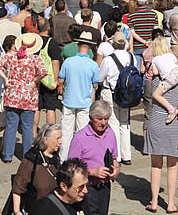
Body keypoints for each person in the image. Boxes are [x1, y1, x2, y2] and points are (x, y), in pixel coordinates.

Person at [144, 38, 178, 214]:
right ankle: (171, 203)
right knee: (173, 165)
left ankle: (153, 202)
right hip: (173, 121)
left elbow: (147, 94)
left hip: (155, 120)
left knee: (155, 165)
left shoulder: (153, 79)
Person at [0, 32, 47, 164]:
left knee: (11, 125)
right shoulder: (35, 59)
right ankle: (27, 156)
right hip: (29, 95)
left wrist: (6, 78)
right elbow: (43, 72)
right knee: (28, 127)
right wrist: (35, 81)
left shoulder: (11, 56)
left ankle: (7, 155)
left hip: (12, 94)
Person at [67, 101, 120, 215]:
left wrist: (116, 171)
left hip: (105, 187)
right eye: (99, 119)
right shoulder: (80, 138)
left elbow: (115, 159)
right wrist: (92, 172)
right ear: (91, 118)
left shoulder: (110, 134)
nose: (103, 123)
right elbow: (71, 168)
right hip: (87, 188)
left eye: (106, 119)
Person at [58, 30, 102, 159]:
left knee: (66, 132)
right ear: (89, 47)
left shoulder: (68, 62)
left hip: (69, 100)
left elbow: (61, 80)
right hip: (85, 101)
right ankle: (79, 158)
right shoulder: (93, 65)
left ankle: (63, 158)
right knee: (82, 132)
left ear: (78, 45)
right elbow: (95, 85)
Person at [96, 31, 134, 166]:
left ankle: (115, 156)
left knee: (113, 123)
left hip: (110, 92)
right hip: (127, 94)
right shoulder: (131, 56)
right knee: (125, 123)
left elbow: (100, 78)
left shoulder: (108, 59)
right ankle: (126, 155)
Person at [9, 124, 62, 215]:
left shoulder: (56, 158)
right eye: (57, 138)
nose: (60, 142)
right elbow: (18, 187)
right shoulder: (32, 159)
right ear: (46, 140)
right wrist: (17, 211)